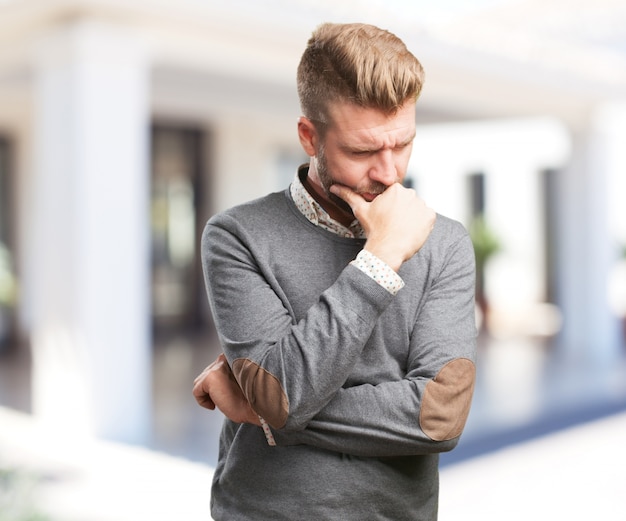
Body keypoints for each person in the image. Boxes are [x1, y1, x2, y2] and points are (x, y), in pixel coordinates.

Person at [193, 22, 477, 521]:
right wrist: (381, 257)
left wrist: (259, 411)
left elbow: (439, 417)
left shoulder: (444, 241)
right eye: (363, 151)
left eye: (403, 144)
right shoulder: (237, 237)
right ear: (309, 136)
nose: (389, 173)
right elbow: (281, 397)